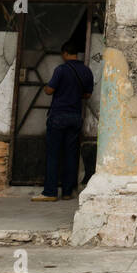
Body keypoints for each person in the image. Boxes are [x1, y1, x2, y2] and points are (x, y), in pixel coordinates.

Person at [31, 42, 94, 202]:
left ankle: (50, 192)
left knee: (53, 154)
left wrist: (47, 88)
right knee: (71, 155)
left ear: (65, 53)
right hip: (75, 116)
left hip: (58, 115)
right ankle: (67, 192)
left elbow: (50, 90)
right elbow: (87, 95)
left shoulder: (61, 70)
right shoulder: (86, 71)